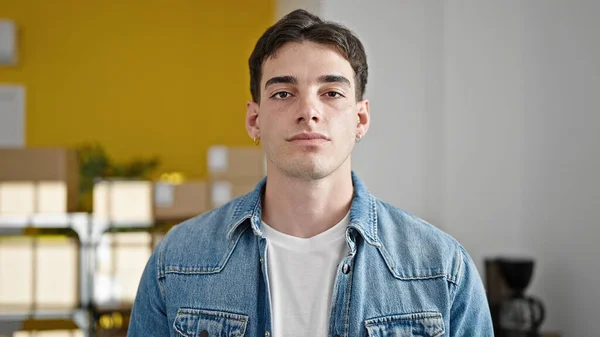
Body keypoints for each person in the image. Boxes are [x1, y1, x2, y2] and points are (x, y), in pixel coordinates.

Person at [128, 9, 493, 337]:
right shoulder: (177, 262)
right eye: (284, 94)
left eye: (331, 93)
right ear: (254, 120)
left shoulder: (441, 268)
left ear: (360, 118)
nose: (308, 111)